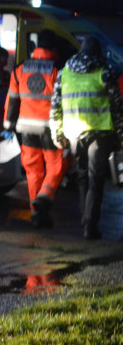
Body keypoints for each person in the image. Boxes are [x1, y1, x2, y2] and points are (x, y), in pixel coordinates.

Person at [49, 36, 123, 240]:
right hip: (99, 133)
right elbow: (117, 108)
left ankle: (86, 219)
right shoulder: (105, 73)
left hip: (73, 134)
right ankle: (90, 225)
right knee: (95, 179)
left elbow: (55, 106)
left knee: (82, 178)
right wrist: (121, 134)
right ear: (98, 53)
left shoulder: (64, 73)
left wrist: (57, 133)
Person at [3, 29, 65, 228]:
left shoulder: (20, 69)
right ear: (53, 47)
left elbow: (11, 101)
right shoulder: (58, 69)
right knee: (56, 165)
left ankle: (36, 214)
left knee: (33, 171)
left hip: (26, 128)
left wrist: (8, 127)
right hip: (50, 128)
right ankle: (44, 198)